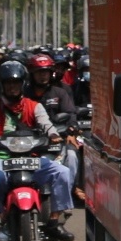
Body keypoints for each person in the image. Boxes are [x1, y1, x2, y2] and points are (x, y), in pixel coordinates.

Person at [0, 61, 76, 241]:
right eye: (9, 83)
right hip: (1, 158)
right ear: (1, 85)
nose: (12, 87)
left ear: (23, 84)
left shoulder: (34, 106)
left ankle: (53, 221)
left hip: (31, 158)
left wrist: (53, 134)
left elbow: (46, 123)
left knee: (63, 172)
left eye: (16, 83)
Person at [27, 53, 83, 204]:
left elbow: (71, 114)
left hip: (59, 138)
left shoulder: (60, 92)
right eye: (39, 72)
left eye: (45, 72)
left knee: (72, 158)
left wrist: (71, 131)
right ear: (32, 74)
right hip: (30, 140)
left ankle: (67, 193)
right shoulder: (24, 94)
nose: (42, 76)